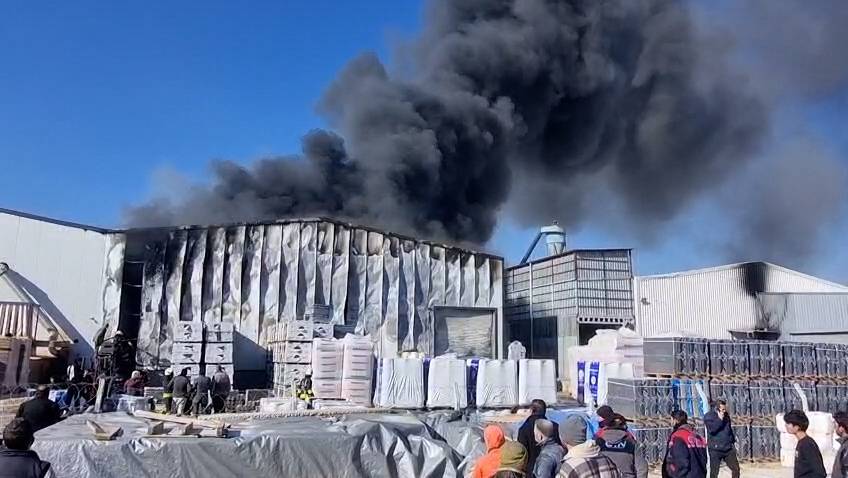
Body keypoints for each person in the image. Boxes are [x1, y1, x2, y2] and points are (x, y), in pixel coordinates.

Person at [518, 400, 561, 473]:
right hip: (553, 469)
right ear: (545, 411)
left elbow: (522, 452)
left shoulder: (524, 429)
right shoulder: (555, 426)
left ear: (531, 410)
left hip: (531, 471)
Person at [662, 410, 707, 478]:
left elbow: (681, 463)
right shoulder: (697, 436)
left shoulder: (678, 436)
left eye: (671, 419)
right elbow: (704, 459)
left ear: (675, 420)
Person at [784, 409, 826, 478]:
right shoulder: (801, 443)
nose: (786, 425)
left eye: (788, 423)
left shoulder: (807, 445)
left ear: (797, 427)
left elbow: (819, 472)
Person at [703, 399, 739, 478]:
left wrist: (732, 441)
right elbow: (712, 430)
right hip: (715, 449)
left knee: (735, 469)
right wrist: (719, 419)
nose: (724, 411)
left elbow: (728, 429)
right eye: (722, 409)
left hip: (728, 448)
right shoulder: (708, 416)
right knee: (714, 472)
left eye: (724, 409)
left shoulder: (726, 416)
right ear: (717, 409)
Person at [833, 411, 848, 478]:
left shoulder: (846, 447)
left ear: (841, 428)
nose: (834, 428)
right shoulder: (844, 445)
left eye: (835, 425)